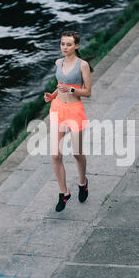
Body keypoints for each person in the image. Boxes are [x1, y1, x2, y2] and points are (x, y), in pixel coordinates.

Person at [44, 30, 92, 212]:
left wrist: (70, 89)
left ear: (76, 46)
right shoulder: (58, 62)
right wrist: (53, 94)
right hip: (57, 109)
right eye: (63, 44)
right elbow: (59, 86)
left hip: (74, 111)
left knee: (77, 153)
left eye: (69, 44)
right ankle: (64, 193)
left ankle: (83, 182)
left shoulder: (83, 65)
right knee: (56, 155)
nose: (65, 47)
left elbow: (87, 92)